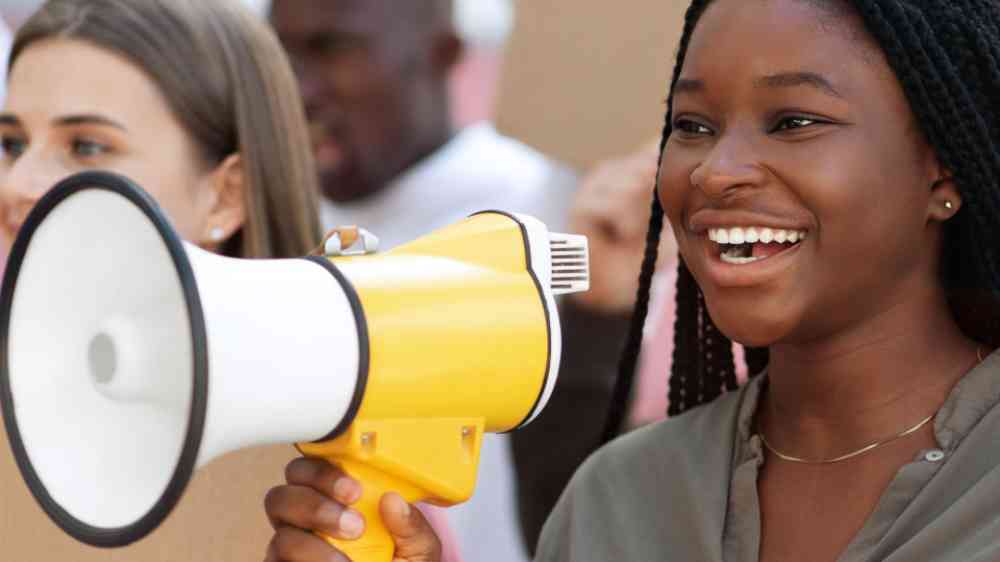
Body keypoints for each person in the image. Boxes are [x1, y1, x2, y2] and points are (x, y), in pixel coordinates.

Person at [263, 0, 1000, 560]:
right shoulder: (622, 494)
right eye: (693, 126)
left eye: (795, 121)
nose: (715, 170)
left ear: (943, 167)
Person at [0, 1, 322, 560]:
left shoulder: (336, 463)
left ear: (226, 194)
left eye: (87, 146)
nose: (19, 183)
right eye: (12, 145)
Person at [268, 2, 576, 561]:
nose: (296, 88)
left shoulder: (556, 212)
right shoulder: (264, 224)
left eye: (333, 49)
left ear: (443, 54)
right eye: (278, 52)